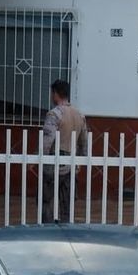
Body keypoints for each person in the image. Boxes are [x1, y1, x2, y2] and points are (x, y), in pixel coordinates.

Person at [41, 80, 88, 224]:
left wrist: (39, 157)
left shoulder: (54, 114)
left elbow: (48, 139)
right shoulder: (80, 115)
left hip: (54, 162)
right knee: (67, 202)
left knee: (46, 200)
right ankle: (67, 230)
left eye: (52, 93)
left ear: (56, 94)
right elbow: (84, 142)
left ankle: (47, 229)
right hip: (71, 163)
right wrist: (81, 161)